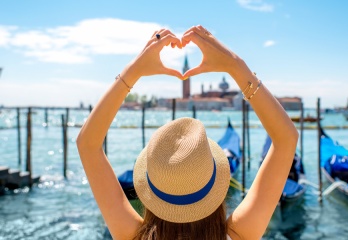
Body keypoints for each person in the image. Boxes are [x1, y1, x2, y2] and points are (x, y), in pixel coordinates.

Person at [76, 25, 299, 240]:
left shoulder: (131, 236)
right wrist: (236, 66)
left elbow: (87, 144)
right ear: (214, 183)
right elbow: (286, 138)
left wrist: (131, 73)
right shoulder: (240, 235)